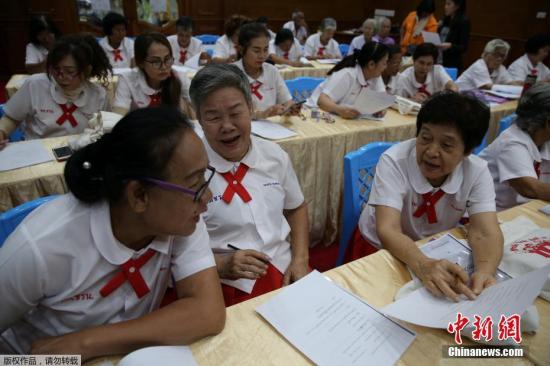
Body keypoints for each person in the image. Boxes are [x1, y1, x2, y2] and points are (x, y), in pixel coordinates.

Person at [0, 107, 225, 358]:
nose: (207, 197)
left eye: (205, 178)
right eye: (195, 185)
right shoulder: (40, 249)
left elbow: (207, 312)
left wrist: (85, 343)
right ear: (138, 195)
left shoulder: (182, 220)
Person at [357, 91, 503, 301]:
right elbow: (387, 229)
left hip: (433, 245)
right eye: (425, 138)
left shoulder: (477, 171)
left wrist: (485, 272)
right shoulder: (394, 161)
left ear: (467, 150)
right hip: (381, 246)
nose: (431, 151)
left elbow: (485, 231)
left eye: (446, 145)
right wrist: (423, 265)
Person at [189, 64, 310, 306]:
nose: (227, 126)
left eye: (235, 113)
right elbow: (173, 249)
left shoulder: (274, 155)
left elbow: (296, 207)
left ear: (251, 107)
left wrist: (300, 260)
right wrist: (221, 264)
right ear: (199, 118)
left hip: (285, 270)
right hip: (221, 283)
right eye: (213, 117)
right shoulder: (187, 171)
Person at [0, 35, 110, 142]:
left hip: (79, 151)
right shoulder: (34, 85)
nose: (61, 77)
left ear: (87, 70)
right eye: (56, 69)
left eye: (70, 72)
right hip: (37, 152)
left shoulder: (98, 95)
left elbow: (104, 131)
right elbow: (11, 119)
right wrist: (2, 132)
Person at [479, 84, 550, 210]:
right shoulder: (512, 143)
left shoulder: (544, 139)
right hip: (495, 215)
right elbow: (531, 189)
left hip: (524, 211)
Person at [112, 32, 192, 116]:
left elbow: (199, 104)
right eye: (155, 61)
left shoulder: (179, 77)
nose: (164, 67)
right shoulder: (127, 79)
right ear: (140, 62)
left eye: (167, 59)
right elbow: (118, 117)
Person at [233, 23, 297, 119]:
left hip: (270, 127)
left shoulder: (272, 71)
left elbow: (286, 100)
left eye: (266, 49)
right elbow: (231, 112)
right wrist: (262, 115)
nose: (262, 56)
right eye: (256, 51)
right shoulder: (231, 74)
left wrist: (290, 107)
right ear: (241, 50)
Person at [316, 42, 389, 119]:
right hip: (317, 114)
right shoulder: (347, 75)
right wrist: (339, 110)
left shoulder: (376, 76)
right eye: (384, 63)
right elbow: (322, 101)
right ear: (371, 64)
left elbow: (381, 99)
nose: (386, 67)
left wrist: (381, 108)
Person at [437, 0, 470, 71]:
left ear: (457, 6)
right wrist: (437, 27)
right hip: (437, 60)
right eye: (445, 4)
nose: (445, 7)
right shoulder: (445, 19)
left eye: (448, 4)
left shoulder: (463, 21)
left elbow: (463, 47)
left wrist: (451, 46)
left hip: (450, 63)